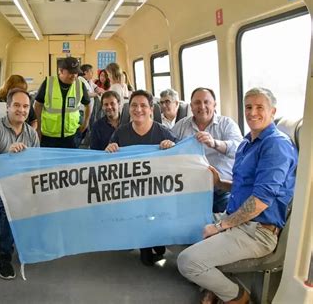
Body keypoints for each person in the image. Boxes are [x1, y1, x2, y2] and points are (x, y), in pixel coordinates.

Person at [177, 87, 298, 304]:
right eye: (248, 107)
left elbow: (260, 201)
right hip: (236, 220)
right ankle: (214, 284)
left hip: (258, 231)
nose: (252, 113)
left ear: (273, 111)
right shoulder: (247, 142)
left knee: (186, 262)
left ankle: (238, 297)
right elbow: (244, 188)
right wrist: (219, 183)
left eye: (260, 107)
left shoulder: (276, 145)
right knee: (184, 228)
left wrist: (220, 226)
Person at [105, 90, 177, 266]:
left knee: (160, 248)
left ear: (151, 109)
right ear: (129, 109)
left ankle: (155, 240)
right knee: (147, 259)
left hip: (157, 191)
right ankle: (144, 243)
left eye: (143, 105)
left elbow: (180, 157)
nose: (138, 109)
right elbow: (108, 164)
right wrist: (110, 150)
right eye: (134, 105)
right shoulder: (121, 133)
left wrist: (172, 147)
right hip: (131, 192)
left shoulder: (163, 133)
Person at [0, 88, 39, 279]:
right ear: (7, 107)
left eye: (26, 106)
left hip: (18, 182)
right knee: (11, 203)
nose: (21, 110)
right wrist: (7, 156)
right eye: (17, 105)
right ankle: (4, 256)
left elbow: (36, 163)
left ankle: (26, 244)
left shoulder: (31, 133)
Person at [172, 87, 243, 213]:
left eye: (206, 102)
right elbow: (169, 152)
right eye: (197, 103)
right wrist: (168, 145)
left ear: (214, 105)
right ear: (191, 106)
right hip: (190, 190)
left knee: (228, 220)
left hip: (222, 190)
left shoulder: (227, 123)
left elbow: (239, 149)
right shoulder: (181, 126)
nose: (202, 106)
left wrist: (215, 143)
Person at [34, 57, 91, 148]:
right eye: (70, 72)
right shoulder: (48, 83)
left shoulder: (79, 85)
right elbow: (38, 105)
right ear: (60, 70)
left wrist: (85, 123)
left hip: (71, 136)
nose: (74, 76)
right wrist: (38, 128)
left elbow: (88, 104)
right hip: (49, 136)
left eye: (76, 73)